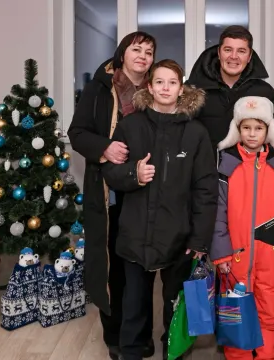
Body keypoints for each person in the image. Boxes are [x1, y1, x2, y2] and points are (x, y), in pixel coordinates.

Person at [101, 59, 218, 360]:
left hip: (179, 237)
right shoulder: (130, 126)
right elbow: (111, 173)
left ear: (181, 89)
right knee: (134, 304)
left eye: (172, 82)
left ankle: (174, 351)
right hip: (135, 234)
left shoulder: (197, 134)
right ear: (149, 87)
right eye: (159, 82)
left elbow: (206, 190)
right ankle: (132, 351)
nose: (165, 87)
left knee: (174, 304)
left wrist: (199, 239)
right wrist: (133, 175)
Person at [67, 31, 157, 360]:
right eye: (137, 49)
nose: (143, 56)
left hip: (146, 195)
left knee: (143, 271)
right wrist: (105, 147)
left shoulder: (154, 89)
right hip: (109, 198)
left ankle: (141, 334)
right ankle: (115, 335)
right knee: (112, 269)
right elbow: (76, 133)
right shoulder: (101, 87)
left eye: (149, 51)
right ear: (123, 53)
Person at [211, 96, 274, 360]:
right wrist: (221, 253)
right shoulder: (226, 164)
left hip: (269, 257)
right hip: (235, 258)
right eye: (246, 127)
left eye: (259, 128)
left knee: (269, 310)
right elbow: (217, 213)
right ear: (237, 129)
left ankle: (266, 356)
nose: (252, 134)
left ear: (268, 130)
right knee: (236, 312)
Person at [187, 25, 274, 154]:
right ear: (219, 53)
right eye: (228, 50)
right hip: (205, 171)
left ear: (249, 56)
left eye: (241, 51)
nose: (233, 56)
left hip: (251, 171)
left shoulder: (264, 92)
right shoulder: (194, 90)